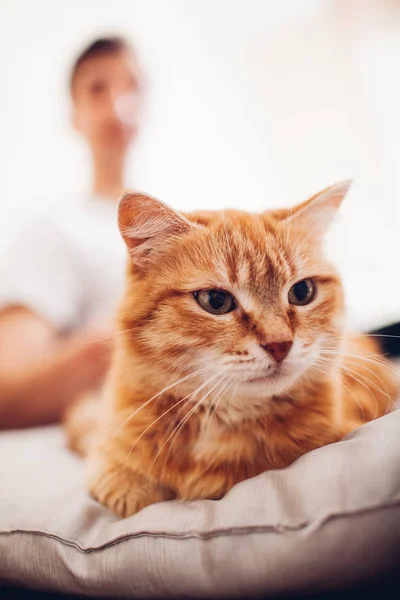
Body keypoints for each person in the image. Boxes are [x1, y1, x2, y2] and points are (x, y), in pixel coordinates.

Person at [0, 37, 143, 429]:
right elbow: (5, 392)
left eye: (131, 86)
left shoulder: (184, 222)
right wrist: (140, 334)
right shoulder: (53, 228)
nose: (118, 103)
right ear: (75, 115)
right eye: (98, 89)